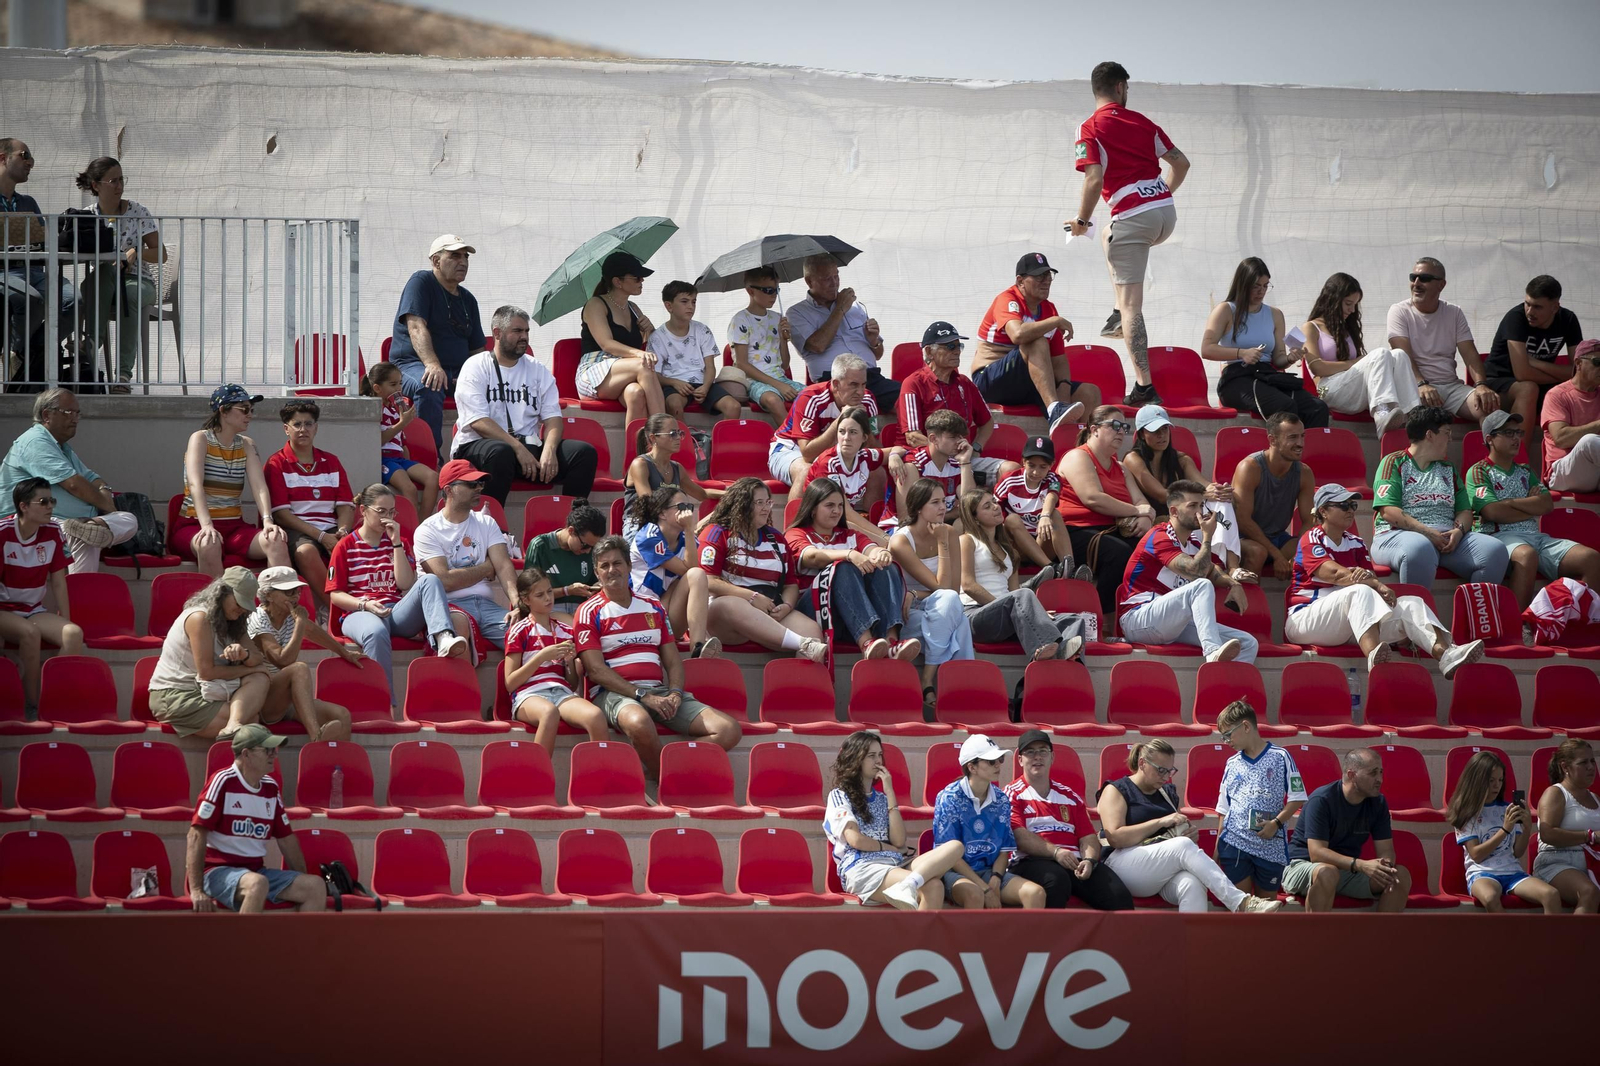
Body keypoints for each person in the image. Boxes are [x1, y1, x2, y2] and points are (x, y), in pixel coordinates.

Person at [1067, 61, 1190, 407]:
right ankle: (1116, 310)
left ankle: (1144, 386)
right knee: (1109, 234)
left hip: (1134, 218)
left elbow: (1093, 179)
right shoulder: (1143, 122)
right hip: (1165, 214)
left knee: (1132, 306)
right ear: (1120, 87)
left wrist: (1081, 220)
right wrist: (1159, 196)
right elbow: (1181, 163)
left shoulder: (1089, 128)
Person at [574, 535, 742, 778]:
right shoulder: (588, 611)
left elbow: (672, 661)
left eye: (617, 563)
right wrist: (642, 695)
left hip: (658, 692)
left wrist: (675, 693)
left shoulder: (653, 605)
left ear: (629, 566)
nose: (612, 570)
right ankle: (667, 781)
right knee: (639, 722)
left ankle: (669, 772)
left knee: (728, 730)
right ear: (597, 573)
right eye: (604, 565)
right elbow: (596, 670)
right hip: (614, 694)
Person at [1284, 483, 1484, 675]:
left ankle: (1446, 655)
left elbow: (1367, 579)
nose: (1350, 510)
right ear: (1323, 511)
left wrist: (1373, 584)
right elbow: (1336, 575)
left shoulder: (1356, 543)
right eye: (1343, 505)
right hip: (1306, 619)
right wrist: (1376, 584)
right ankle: (1374, 656)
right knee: (1360, 590)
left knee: (1412, 604)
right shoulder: (1311, 538)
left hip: (1350, 623)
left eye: (1353, 505)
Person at [1096, 739, 1281, 912]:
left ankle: (1194, 937)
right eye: (1161, 770)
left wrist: (1186, 834)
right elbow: (1115, 838)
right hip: (1121, 866)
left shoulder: (1167, 793)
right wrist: (1160, 823)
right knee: (1182, 846)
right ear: (1142, 763)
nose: (1166, 777)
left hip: (1157, 870)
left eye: (1170, 771)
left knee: (1192, 883)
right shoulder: (1116, 790)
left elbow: (1168, 839)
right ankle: (1241, 902)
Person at [327, 484, 466, 705]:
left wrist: (396, 544)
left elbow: (405, 583)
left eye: (391, 512)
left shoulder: (399, 543)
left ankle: (443, 637)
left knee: (430, 580)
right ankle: (383, 704)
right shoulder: (345, 546)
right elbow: (335, 595)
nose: (387, 518)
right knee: (375, 631)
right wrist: (365, 605)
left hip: (395, 611)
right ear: (363, 510)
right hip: (360, 612)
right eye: (381, 511)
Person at [452, 304, 599, 506]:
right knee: (501, 452)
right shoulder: (475, 366)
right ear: (497, 333)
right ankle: (492, 521)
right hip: (479, 446)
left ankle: (573, 520)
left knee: (584, 453)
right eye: (517, 331)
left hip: (526, 448)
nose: (524, 337)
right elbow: (478, 422)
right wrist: (517, 447)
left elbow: (554, 418)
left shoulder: (537, 369)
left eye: (527, 331)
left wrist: (549, 450)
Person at [1467, 410, 1600, 607]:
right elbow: (1492, 512)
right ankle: (1517, 623)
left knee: (1591, 558)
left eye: (1518, 432)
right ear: (1490, 439)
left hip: (1536, 537)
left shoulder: (1525, 470)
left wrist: (1508, 502)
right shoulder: (1479, 470)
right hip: (1499, 537)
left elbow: (1546, 505)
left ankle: (1582, 619)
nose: (1516, 438)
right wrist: (1529, 504)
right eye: (1508, 433)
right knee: (1527, 555)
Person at [188, 724, 326, 914]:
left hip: (255, 873)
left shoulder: (271, 787)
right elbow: (195, 835)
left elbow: (287, 840)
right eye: (267, 750)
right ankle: (246, 936)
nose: (274, 755)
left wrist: (300, 877)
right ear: (246, 754)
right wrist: (196, 890)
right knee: (257, 884)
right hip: (216, 872)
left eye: (275, 749)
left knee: (315, 886)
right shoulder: (222, 781)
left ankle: (298, 937)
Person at [1116, 480, 1258, 664]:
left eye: (1201, 505)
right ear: (1174, 511)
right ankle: (1212, 651)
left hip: (1171, 622)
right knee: (1201, 585)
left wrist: (1233, 583)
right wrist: (1208, 537)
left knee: (1247, 643)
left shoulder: (1193, 544)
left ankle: (1223, 682)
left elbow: (1212, 569)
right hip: (1138, 619)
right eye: (1192, 506)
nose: (1200, 512)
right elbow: (1196, 571)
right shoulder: (1159, 537)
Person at [0, 388, 139, 572]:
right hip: (29, 522)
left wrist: (104, 490)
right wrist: (108, 506)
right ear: (47, 415)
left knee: (128, 519)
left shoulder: (61, 446)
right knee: (81, 535)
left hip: (70, 522)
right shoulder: (34, 441)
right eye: (68, 412)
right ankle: (86, 532)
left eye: (77, 413)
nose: (75, 419)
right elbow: (74, 485)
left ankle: (91, 526)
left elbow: (93, 478)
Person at [824, 731, 966, 909]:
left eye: (880, 755)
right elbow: (856, 840)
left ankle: (908, 885)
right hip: (862, 867)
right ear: (855, 759)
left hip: (895, 863)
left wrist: (890, 791)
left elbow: (899, 841)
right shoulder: (839, 795)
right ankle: (908, 887)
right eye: (871, 756)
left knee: (955, 847)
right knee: (933, 886)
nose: (878, 761)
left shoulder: (883, 798)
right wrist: (890, 849)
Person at [1372, 404, 1509, 586]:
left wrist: (1458, 532)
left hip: (1445, 539)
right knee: (1420, 548)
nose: (1450, 439)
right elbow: (1388, 511)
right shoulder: (1394, 462)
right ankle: (1416, 605)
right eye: (1446, 432)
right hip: (1398, 535)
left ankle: (1476, 604)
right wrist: (1427, 532)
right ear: (1429, 435)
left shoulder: (1448, 468)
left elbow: (1465, 511)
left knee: (1495, 550)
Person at [786, 476, 918, 661]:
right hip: (816, 614)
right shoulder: (796, 534)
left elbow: (872, 549)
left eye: (840, 505)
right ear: (812, 508)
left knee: (885, 567)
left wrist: (881, 553)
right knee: (843, 567)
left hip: (850, 616)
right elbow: (812, 558)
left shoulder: (850, 535)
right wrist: (849, 554)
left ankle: (891, 642)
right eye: (829, 505)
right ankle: (866, 642)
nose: (837, 511)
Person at [696, 477, 827, 663]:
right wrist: (752, 597)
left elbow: (790, 584)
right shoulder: (717, 533)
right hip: (724, 615)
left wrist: (787, 606)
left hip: (769, 610)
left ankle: (799, 678)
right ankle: (801, 643)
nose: (766, 508)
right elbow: (708, 580)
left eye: (768, 502)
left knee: (812, 631)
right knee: (733, 605)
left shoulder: (776, 538)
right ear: (741, 504)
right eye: (759, 503)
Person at [1006, 729, 1133, 910]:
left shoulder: (1070, 796)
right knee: (1056, 880)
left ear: (1052, 757)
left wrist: (1089, 860)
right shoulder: (1012, 793)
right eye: (1030, 752)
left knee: (1118, 895)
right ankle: (1050, 930)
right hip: (1031, 861)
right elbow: (1019, 837)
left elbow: (1088, 836)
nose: (1037, 757)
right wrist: (1056, 852)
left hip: (1074, 861)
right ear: (1020, 760)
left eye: (1043, 751)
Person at [172, 384, 291, 578]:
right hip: (194, 525)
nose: (249, 414)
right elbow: (195, 484)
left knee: (275, 540)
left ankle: (279, 597)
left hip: (235, 527)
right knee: (209, 542)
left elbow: (259, 486)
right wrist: (207, 525)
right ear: (223, 411)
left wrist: (268, 521)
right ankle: (216, 598)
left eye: (251, 409)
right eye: (244, 409)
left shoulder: (246, 444)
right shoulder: (200, 439)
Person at [971, 254, 1096, 433]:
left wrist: (1064, 399)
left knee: (1090, 393)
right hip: (990, 381)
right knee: (1036, 341)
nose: (1046, 281)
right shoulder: (1007, 299)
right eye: (1039, 276)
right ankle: (1053, 408)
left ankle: (1074, 442)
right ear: (1020, 281)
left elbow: (1059, 361)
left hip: (1026, 382)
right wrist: (1055, 321)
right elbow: (1018, 334)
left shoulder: (1049, 308)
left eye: (1048, 275)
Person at [957, 490, 1086, 662]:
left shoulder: (1009, 550)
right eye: (987, 506)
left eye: (994, 501)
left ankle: (1069, 671)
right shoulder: (967, 540)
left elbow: (1013, 591)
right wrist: (1014, 606)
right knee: (1023, 595)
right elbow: (968, 585)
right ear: (974, 518)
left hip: (1008, 614)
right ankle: (1052, 651)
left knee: (1072, 620)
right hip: (975, 614)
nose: (995, 507)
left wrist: (1033, 613)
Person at [146, 568, 271, 741]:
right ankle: (234, 728)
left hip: (208, 690)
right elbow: (207, 672)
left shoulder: (235, 621)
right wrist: (250, 669)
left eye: (246, 605)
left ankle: (233, 725)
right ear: (222, 593)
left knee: (259, 679)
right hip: (177, 695)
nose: (242, 609)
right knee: (251, 720)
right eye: (239, 602)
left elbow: (256, 657)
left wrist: (245, 655)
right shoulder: (199, 618)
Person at [387, 234, 487, 450]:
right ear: (436, 261)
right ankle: (429, 457)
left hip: (455, 372)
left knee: (491, 388)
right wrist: (432, 364)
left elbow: (477, 349)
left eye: (466, 257)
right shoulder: (421, 282)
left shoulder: (468, 299)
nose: (463, 262)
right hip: (411, 365)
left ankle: (479, 454)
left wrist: (480, 376)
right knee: (430, 384)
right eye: (455, 256)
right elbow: (416, 326)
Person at [74, 156, 165, 393]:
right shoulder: (87, 216)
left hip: (138, 281)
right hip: (104, 281)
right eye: (113, 181)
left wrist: (137, 252)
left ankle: (122, 374)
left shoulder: (137, 211)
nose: (119, 186)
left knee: (130, 294)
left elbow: (161, 253)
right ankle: (93, 342)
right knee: (103, 274)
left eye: (121, 179)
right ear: (96, 185)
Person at [1203, 257, 1329, 426]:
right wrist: (1241, 353)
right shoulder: (1225, 310)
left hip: (1267, 375)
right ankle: (1282, 443)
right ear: (1243, 284)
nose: (1261, 291)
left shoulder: (1275, 314)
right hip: (1236, 378)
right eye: (1256, 286)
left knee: (1317, 407)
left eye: (1265, 286)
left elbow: (1278, 359)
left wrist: (1290, 358)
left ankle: (1307, 444)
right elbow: (1207, 349)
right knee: (1285, 406)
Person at [1281, 748, 1410, 912]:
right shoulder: (1322, 800)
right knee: (1328, 872)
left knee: (1400, 876)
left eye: (1381, 772)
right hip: (1304, 866)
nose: (1380, 779)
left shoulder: (1378, 803)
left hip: (1347, 870)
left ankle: (1380, 930)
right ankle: (1315, 929)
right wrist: (1360, 865)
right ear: (1351, 775)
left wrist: (1385, 866)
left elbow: (1386, 850)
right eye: (1373, 773)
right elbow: (1317, 853)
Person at [1057, 406, 1156, 613]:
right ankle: (1099, 614)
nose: (1121, 431)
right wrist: (1137, 512)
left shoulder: (1121, 467)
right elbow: (1092, 498)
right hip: (1076, 531)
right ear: (1094, 429)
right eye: (1115, 425)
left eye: (1124, 427)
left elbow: (1142, 502)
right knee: (1119, 553)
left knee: (1153, 548)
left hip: (1111, 530)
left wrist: (1147, 517)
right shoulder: (1078, 456)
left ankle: (1141, 612)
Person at [413, 459, 519, 651]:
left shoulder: (487, 522)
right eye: (471, 484)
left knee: (526, 635)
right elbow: (445, 581)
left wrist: (518, 603)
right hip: (450, 606)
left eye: (480, 483)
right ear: (449, 490)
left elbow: (503, 566)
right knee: (458, 632)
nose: (478, 488)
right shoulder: (427, 530)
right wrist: (487, 567)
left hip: (488, 606)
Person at [263, 399, 354, 619]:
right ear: (286, 429)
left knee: (360, 546)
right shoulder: (276, 463)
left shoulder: (331, 461)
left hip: (332, 528)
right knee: (306, 552)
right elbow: (282, 515)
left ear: (316, 427)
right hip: (299, 530)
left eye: (308, 424)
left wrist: (342, 531)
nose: (303, 429)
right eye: (297, 424)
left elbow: (346, 506)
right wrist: (322, 537)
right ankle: (340, 614)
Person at [0, 477, 84, 714]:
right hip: (3, 610)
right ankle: (32, 706)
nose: (50, 507)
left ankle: (52, 698)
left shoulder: (53, 531)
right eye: (43, 502)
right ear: (23, 506)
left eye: (52, 501)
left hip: (33, 610)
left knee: (73, 634)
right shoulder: (3, 532)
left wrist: (65, 619)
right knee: (30, 633)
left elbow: (59, 582)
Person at [932, 734, 1044, 910]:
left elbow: (1004, 850)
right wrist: (985, 889)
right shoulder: (948, 798)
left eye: (1000, 759)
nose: (998, 764)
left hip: (990, 872)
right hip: (953, 872)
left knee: (1036, 893)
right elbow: (950, 856)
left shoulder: (1001, 799)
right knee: (975, 895)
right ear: (972, 767)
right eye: (991, 761)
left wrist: (996, 879)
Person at [889, 478, 975, 709]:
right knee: (959, 623)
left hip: (937, 608)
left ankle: (929, 678)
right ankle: (961, 695)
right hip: (909, 615)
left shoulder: (949, 533)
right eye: (935, 502)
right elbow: (942, 587)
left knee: (953, 610)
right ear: (918, 507)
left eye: (944, 501)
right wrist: (941, 542)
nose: (943, 508)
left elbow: (951, 590)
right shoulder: (900, 541)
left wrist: (916, 592)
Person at [1482, 276, 1581, 474]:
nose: (1529, 311)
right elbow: (1522, 373)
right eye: (1527, 303)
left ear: (1555, 307)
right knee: (1528, 388)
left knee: (1580, 392)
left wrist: (1536, 362)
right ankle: (1518, 464)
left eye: (1537, 307)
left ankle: (1569, 468)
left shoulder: (1568, 319)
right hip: (1499, 384)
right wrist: (1565, 376)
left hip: (1539, 384)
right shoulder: (1515, 317)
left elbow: (1578, 371)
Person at [243, 566, 353, 743]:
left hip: (286, 700)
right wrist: (300, 622)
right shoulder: (258, 619)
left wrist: (345, 653)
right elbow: (282, 660)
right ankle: (315, 737)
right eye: (288, 592)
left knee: (342, 715)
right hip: (263, 702)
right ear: (269, 595)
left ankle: (335, 760)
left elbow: (314, 632)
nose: (295, 596)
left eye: (297, 591)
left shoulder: (289, 614)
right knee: (299, 668)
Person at [503, 566, 607, 753]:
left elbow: (572, 684)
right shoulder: (518, 631)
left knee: (596, 716)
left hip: (561, 693)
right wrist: (541, 657)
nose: (548, 598)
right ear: (526, 600)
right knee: (549, 713)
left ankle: (599, 770)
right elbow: (510, 683)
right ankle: (538, 771)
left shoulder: (565, 631)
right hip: (528, 695)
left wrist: (569, 662)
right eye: (540, 595)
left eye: (549, 591)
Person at [898, 320, 1012, 487]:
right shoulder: (913, 384)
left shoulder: (965, 383)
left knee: (1010, 470)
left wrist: (976, 449)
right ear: (929, 351)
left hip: (963, 459)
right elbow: (913, 437)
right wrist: (946, 452)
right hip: (930, 462)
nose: (957, 351)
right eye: (950, 346)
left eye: (959, 346)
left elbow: (987, 422)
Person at [1299, 271, 1417, 432]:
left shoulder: (1346, 328)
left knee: (1399, 354)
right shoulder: (1310, 327)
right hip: (1328, 389)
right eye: (1348, 303)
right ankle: (1383, 412)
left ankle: (1414, 414)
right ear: (1332, 299)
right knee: (1380, 353)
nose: (1352, 310)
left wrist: (1359, 363)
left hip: (1351, 387)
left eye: (1355, 304)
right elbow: (1317, 368)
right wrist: (1354, 362)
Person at [1446, 750, 1560, 913]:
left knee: (1551, 894)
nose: (1496, 785)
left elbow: (1517, 852)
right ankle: (1508, 931)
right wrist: (1505, 829)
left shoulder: (1507, 808)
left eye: (1500, 780)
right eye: (1491, 780)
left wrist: (1527, 827)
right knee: (1491, 897)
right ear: (1477, 780)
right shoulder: (1466, 812)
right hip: (1482, 874)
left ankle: (1551, 932)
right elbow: (1476, 855)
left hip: (1513, 872)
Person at [1212, 701, 1306, 898]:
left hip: (1270, 844)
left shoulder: (1281, 756)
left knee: (1266, 907)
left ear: (1246, 726)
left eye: (1228, 734)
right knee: (1242, 905)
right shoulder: (1231, 763)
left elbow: (1297, 797)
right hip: (1234, 843)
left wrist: (1276, 823)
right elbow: (1224, 808)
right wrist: (1217, 849)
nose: (1226, 741)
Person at [1386, 256, 1499, 422]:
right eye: (1413, 277)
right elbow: (1402, 353)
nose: (1416, 283)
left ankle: (1494, 440)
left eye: (1424, 278)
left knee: (1491, 411)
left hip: (1451, 387)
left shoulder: (1454, 312)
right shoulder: (1399, 311)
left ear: (1441, 285)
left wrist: (1481, 385)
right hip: (1414, 387)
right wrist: (1421, 384)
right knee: (1422, 421)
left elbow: (1470, 354)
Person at [0, 137, 75, 385]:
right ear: (3, 158)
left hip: (33, 270)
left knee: (73, 301)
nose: (31, 162)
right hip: (4, 272)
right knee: (30, 298)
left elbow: (43, 242)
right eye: (25, 155)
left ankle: (26, 351)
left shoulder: (28, 202)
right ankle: (21, 354)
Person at [1122, 404, 1239, 555]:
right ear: (1141, 434)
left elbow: (1203, 484)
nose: (1161, 435)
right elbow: (1161, 495)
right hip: (1157, 523)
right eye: (1155, 431)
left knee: (1221, 501)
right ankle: (1220, 560)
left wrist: (1218, 490)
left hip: (1184, 518)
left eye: (1165, 429)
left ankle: (1230, 563)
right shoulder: (1132, 459)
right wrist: (1203, 494)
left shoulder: (1181, 459)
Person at [786, 254, 899, 409]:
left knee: (908, 398)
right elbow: (817, 346)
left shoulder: (856, 308)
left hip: (870, 377)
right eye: (826, 278)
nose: (834, 283)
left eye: (836, 276)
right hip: (834, 382)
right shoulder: (797, 313)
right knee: (855, 409)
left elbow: (878, 354)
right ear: (809, 281)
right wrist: (839, 309)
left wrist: (874, 341)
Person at [577, 251, 666, 424]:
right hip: (594, 372)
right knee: (644, 364)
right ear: (617, 282)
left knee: (635, 393)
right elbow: (607, 344)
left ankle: (637, 442)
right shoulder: (596, 304)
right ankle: (663, 429)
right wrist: (639, 354)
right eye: (637, 278)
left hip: (624, 371)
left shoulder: (633, 308)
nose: (642, 281)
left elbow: (650, 344)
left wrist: (650, 330)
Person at [768, 352, 879, 488]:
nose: (861, 392)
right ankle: (798, 504)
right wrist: (840, 420)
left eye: (863, 384)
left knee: (876, 472)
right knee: (807, 472)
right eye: (854, 385)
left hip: (835, 452)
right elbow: (807, 454)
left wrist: (865, 424)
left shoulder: (867, 400)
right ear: (836, 384)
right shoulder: (810, 398)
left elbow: (875, 449)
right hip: (789, 449)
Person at [629, 485, 715, 658]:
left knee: (695, 577)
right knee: (693, 575)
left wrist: (689, 532)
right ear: (662, 513)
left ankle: (698, 648)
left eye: (689, 507)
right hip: (642, 618)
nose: (687, 513)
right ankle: (698, 647)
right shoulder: (648, 537)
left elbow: (693, 572)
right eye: (681, 507)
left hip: (666, 617)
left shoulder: (687, 539)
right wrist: (689, 529)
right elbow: (688, 569)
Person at [1230, 410, 1315, 579]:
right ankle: (1248, 596)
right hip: (1241, 538)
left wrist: (1296, 555)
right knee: (1258, 552)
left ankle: (1300, 596)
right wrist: (1277, 555)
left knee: (1312, 549)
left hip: (1278, 538)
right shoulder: (1250, 467)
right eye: (1293, 437)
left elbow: (1309, 520)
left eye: (1302, 436)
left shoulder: (1304, 473)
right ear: (1272, 440)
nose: (1300, 443)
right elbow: (1243, 520)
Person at [647, 280, 745, 420]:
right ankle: (681, 435)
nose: (690, 306)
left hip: (703, 383)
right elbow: (654, 375)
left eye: (693, 302)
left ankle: (722, 436)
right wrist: (674, 382)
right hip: (674, 386)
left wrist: (706, 387)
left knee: (733, 407)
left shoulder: (702, 330)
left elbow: (710, 367)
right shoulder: (657, 337)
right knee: (674, 405)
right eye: (684, 302)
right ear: (669, 306)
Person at [359, 361, 438, 516]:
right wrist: (402, 423)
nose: (398, 389)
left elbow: (402, 443)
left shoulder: (394, 410)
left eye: (400, 384)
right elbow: (378, 440)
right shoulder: (374, 409)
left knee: (433, 478)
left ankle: (423, 523)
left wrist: (407, 465)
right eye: (393, 384)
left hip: (399, 459)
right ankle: (412, 526)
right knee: (409, 488)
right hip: (385, 459)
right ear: (377, 388)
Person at [992, 434, 1076, 576]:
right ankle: (1051, 568)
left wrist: (1045, 515)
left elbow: (1052, 496)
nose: (1036, 472)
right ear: (1023, 462)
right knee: (1012, 519)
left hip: (1041, 542)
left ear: (1051, 465)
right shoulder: (1009, 481)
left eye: (1043, 467)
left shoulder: (1053, 478)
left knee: (1054, 514)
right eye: (1031, 465)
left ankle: (1068, 568)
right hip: (1016, 547)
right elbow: (994, 509)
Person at [727, 266, 803, 423]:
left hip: (780, 378)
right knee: (773, 400)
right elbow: (741, 364)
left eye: (776, 290)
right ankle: (792, 437)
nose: (774, 295)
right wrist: (778, 385)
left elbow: (785, 364)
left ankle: (811, 434)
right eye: (768, 290)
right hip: (753, 382)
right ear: (751, 291)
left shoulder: (777, 318)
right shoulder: (741, 320)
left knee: (813, 396)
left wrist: (783, 339)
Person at [1533, 739, 1600, 915]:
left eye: (1592, 761)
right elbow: (1547, 833)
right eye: (1583, 762)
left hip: (1593, 861)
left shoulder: (1596, 798)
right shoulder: (1555, 793)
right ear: (1565, 767)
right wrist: (1590, 836)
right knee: (1589, 891)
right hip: (1557, 862)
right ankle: (1573, 935)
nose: (1591, 767)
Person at [799, 404, 888, 537]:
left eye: (853, 432)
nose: (846, 437)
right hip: (818, 527)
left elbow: (897, 451)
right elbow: (847, 512)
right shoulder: (828, 463)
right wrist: (883, 536)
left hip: (840, 521)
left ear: (864, 437)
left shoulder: (864, 456)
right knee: (884, 542)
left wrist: (894, 457)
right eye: (841, 431)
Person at [623, 414, 712, 541]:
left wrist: (732, 492)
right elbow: (649, 503)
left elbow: (702, 494)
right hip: (641, 526)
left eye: (679, 433)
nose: (678, 438)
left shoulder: (677, 468)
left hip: (669, 525)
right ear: (653, 438)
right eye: (672, 434)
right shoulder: (640, 464)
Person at [885, 409, 977, 528]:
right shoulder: (913, 464)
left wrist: (965, 462)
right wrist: (952, 514)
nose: (960, 442)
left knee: (964, 525)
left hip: (938, 526)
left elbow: (969, 508)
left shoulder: (957, 464)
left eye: (961, 437)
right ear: (933, 439)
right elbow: (906, 518)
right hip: (901, 529)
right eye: (953, 437)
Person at [1540, 338, 1600, 494]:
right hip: (1562, 472)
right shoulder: (1557, 395)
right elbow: (1561, 438)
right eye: (1597, 362)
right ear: (1578, 363)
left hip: (1594, 470)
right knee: (1589, 442)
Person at [523, 501, 606, 614]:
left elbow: (593, 583)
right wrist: (567, 591)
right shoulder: (540, 546)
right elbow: (530, 592)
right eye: (585, 545)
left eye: (593, 546)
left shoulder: (589, 550)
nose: (588, 551)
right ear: (571, 531)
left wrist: (596, 587)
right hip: (549, 608)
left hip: (582, 608)